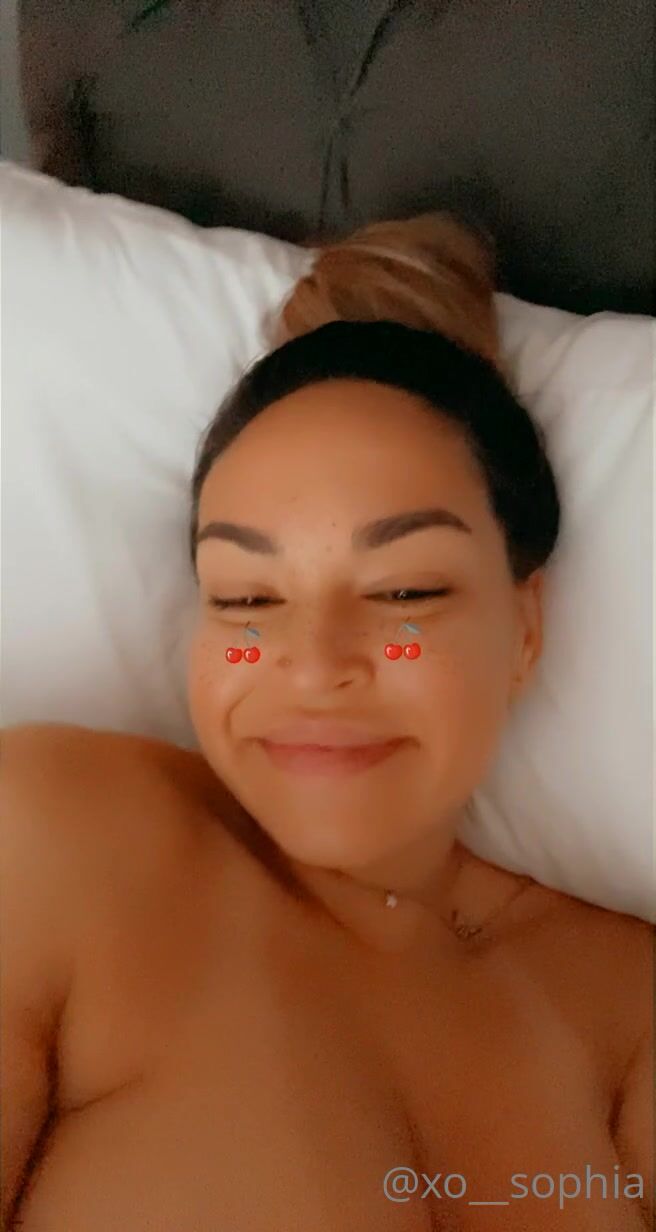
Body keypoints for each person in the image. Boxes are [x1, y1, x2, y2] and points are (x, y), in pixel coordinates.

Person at [2, 213, 652, 1232]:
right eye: (247, 599)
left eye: (403, 593)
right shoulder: (53, 837)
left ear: (524, 628)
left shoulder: (628, 1006)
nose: (311, 666)